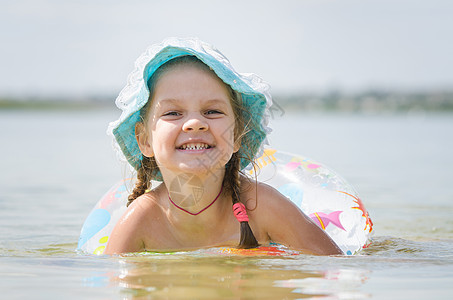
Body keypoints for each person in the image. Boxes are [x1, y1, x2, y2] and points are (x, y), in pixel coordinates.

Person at [104, 37, 342, 255]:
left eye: (212, 111)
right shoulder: (143, 220)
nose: (195, 123)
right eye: (173, 112)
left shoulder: (261, 207)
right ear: (145, 140)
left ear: (237, 134)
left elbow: (332, 266)